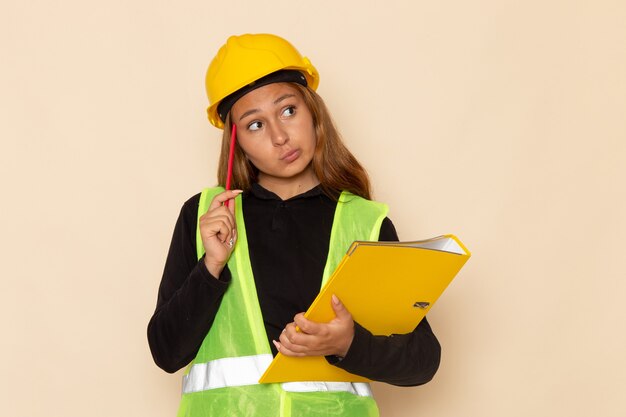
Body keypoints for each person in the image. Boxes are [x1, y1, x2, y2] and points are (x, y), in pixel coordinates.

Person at [148, 33, 441, 417]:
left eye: (288, 110)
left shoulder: (364, 221)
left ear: (312, 111)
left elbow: (423, 360)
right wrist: (211, 266)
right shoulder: (204, 217)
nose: (279, 136)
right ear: (236, 142)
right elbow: (166, 353)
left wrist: (348, 344)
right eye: (255, 125)